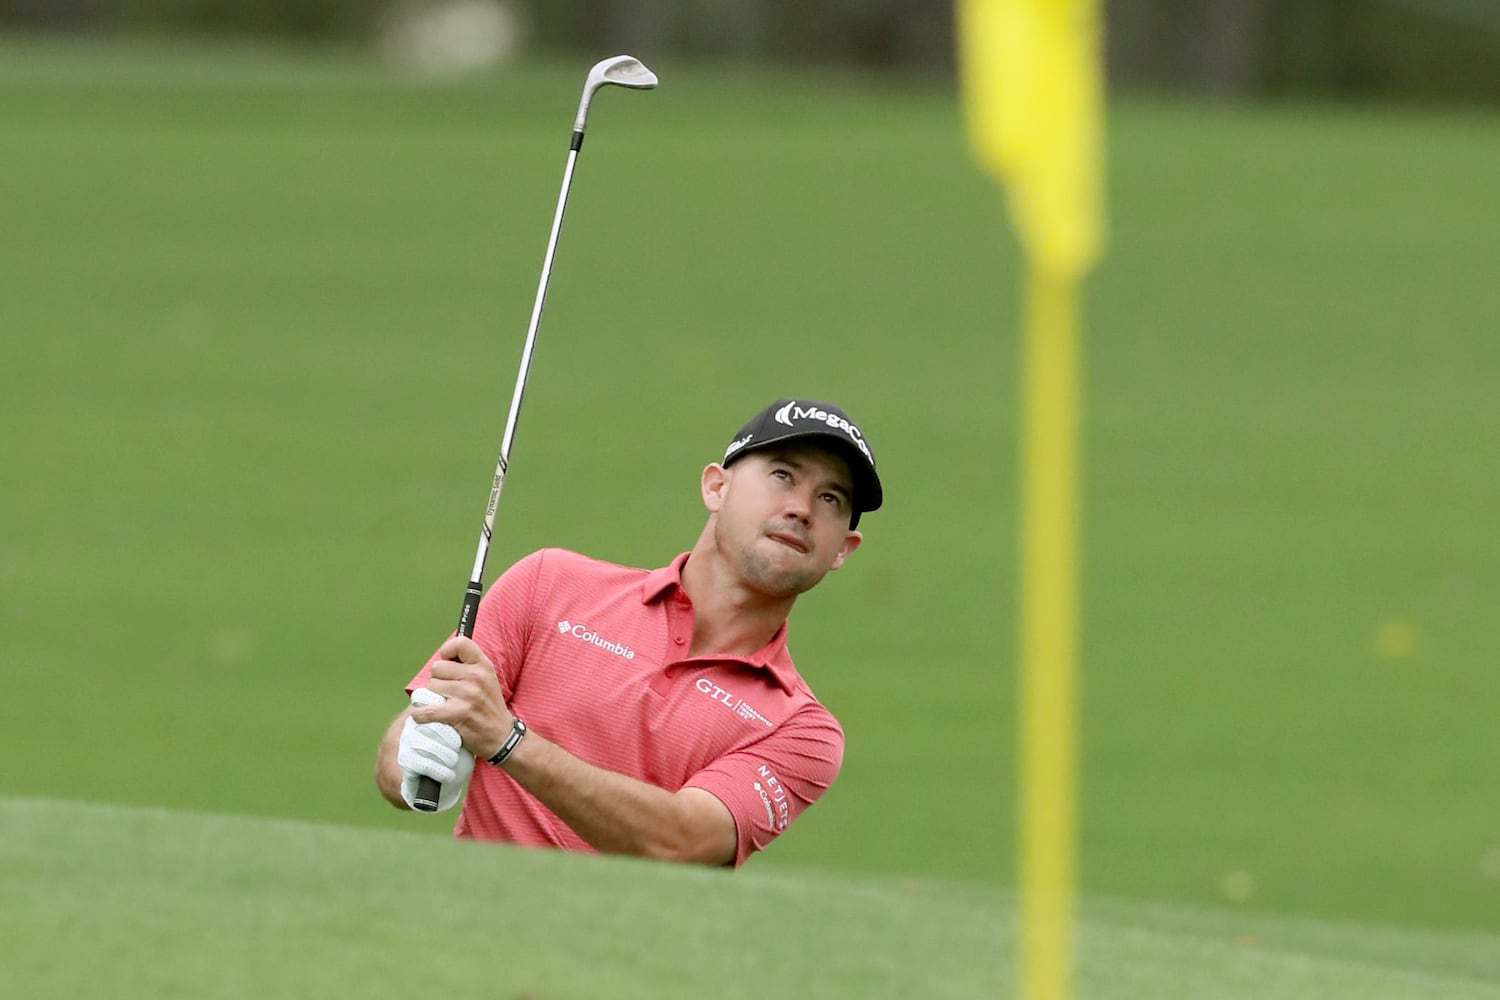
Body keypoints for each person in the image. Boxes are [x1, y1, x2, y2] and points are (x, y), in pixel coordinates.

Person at [374, 398, 882, 867]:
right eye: (781, 475)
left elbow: (680, 841)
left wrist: (509, 743)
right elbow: (408, 752)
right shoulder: (549, 583)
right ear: (716, 486)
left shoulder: (801, 730)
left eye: (831, 498)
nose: (801, 508)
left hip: (628, 957)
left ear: (844, 548)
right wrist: (417, 755)